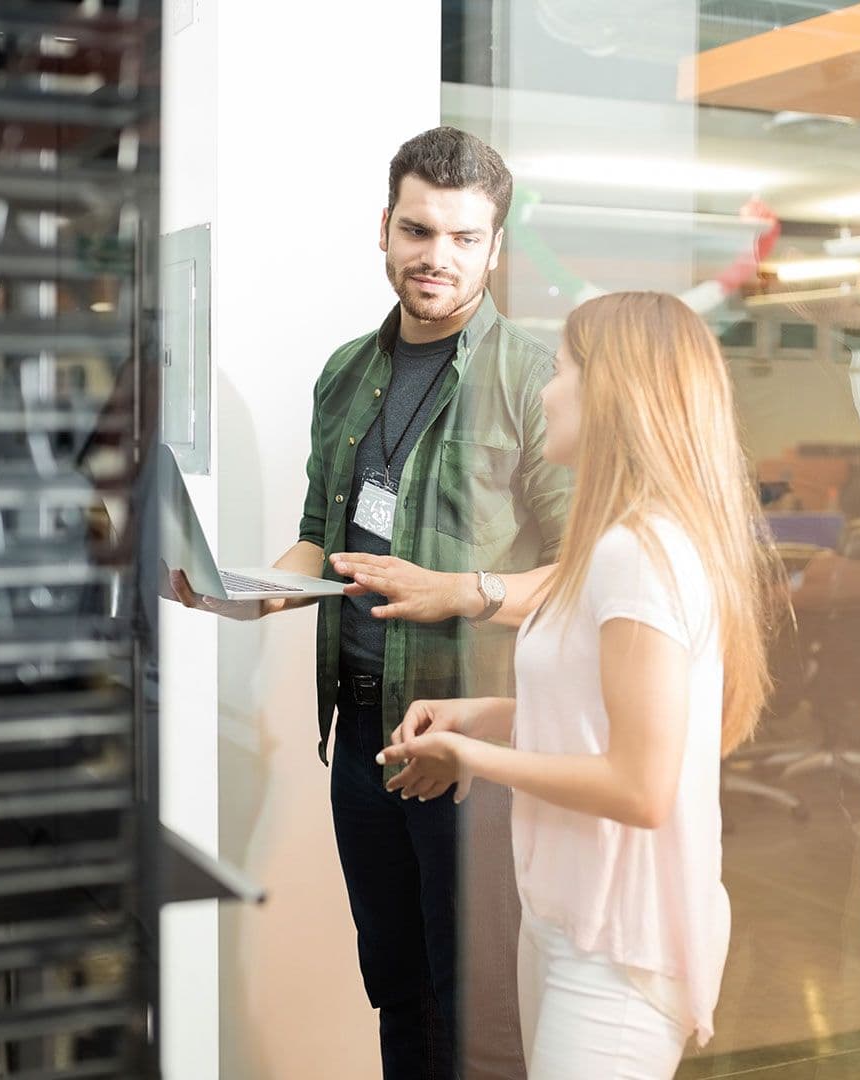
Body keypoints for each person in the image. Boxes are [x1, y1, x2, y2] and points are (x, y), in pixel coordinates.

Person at [168, 127, 572, 1079]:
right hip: (361, 731)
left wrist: (465, 592)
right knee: (394, 982)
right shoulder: (346, 372)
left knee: (476, 1003)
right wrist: (247, 595)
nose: (437, 256)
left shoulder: (534, 381)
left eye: (464, 238)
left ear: (495, 248)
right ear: (384, 229)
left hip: (471, 737)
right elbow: (322, 534)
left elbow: (582, 569)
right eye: (419, 229)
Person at [376, 291, 775, 1078]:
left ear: (612, 394)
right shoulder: (612, 546)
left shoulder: (640, 555)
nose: (546, 391)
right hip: (564, 913)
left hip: (618, 944)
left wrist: (472, 757)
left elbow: (639, 786)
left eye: (560, 371)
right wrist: (485, 717)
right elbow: (602, 716)